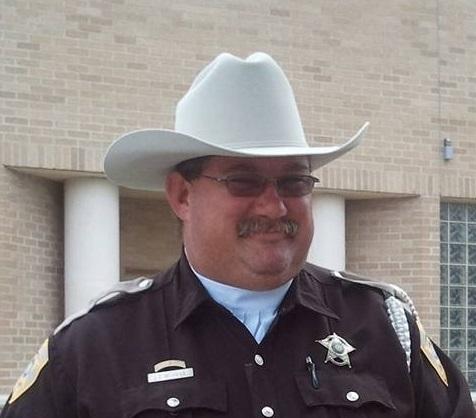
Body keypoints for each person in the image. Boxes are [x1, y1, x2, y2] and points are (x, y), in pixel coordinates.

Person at [1, 52, 474, 418]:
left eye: (294, 182)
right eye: (243, 182)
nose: (274, 206)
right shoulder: (96, 345)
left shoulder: (384, 327)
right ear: (182, 196)